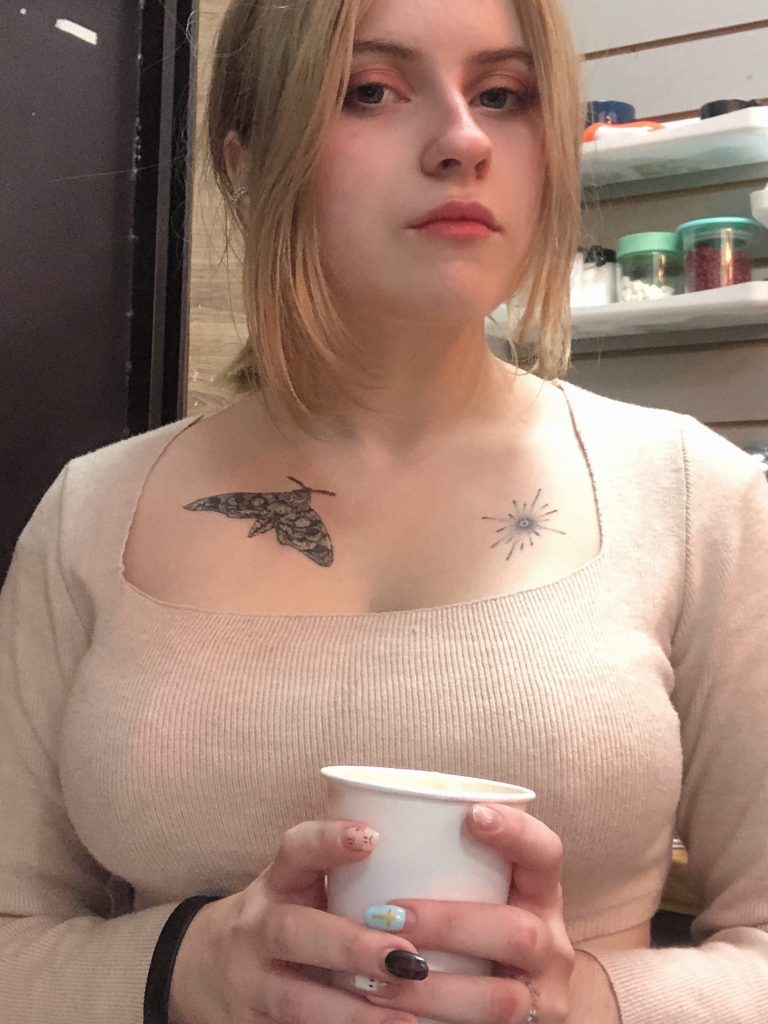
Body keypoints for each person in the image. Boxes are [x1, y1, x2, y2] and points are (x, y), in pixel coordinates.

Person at [1, 0, 766, 1021]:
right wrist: (184, 967)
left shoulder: (694, 494)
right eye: (371, 90)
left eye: (505, 95)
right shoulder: (92, 514)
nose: (462, 139)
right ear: (244, 159)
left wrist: (584, 999)